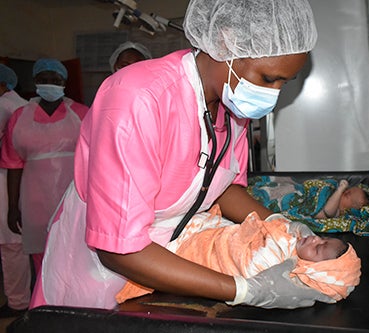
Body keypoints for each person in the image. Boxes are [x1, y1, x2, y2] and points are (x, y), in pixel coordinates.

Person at [31, 0, 330, 310]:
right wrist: (244, 290)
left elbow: (221, 186)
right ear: (226, 42)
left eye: (284, 82)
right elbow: (118, 248)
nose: (273, 94)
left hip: (171, 261)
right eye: (268, 79)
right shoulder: (138, 99)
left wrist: (283, 225)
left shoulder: (233, 109)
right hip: (100, 271)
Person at [116, 205, 361, 304]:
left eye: (319, 248)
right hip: (209, 229)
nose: (316, 238)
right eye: (323, 237)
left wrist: (278, 233)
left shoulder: (274, 262)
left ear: (313, 271)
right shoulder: (293, 241)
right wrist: (283, 224)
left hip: (192, 247)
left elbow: (247, 264)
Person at [0, 59, 89, 278]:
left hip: (73, 195)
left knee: (75, 251)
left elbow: (95, 158)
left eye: (55, 80)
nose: (50, 84)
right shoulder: (20, 117)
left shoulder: (82, 113)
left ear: (64, 82)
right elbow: (13, 164)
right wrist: (12, 206)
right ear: (35, 81)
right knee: (41, 254)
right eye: (43, 80)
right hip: (34, 200)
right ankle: (44, 304)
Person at [0, 64, 31, 317]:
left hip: (8, 180)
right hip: (18, 180)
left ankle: (17, 302)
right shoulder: (20, 106)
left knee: (11, 245)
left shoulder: (7, 106)